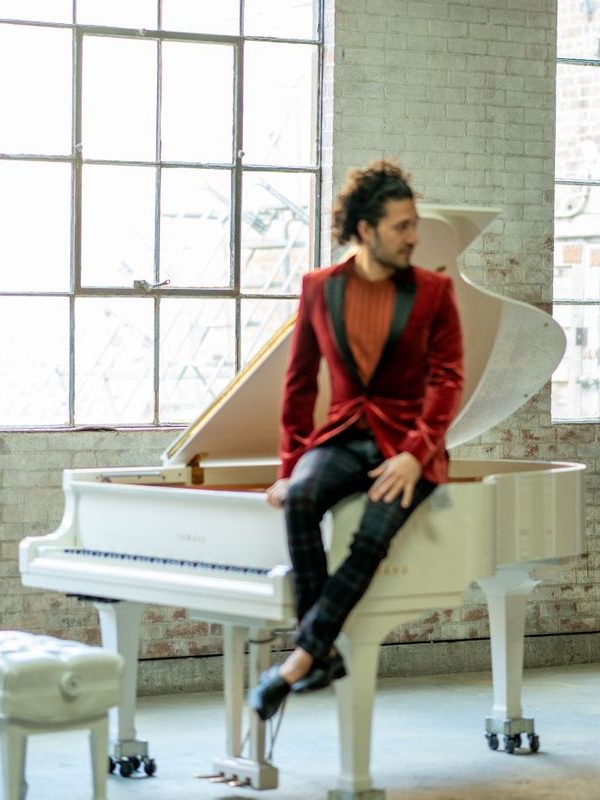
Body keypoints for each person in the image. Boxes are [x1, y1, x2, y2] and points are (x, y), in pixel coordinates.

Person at [248, 159, 465, 720]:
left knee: (371, 534)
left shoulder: (435, 291)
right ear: (365, 229)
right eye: (402, 226)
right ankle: (318, 653)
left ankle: (300, 659)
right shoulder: (319, 289)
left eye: (414, 224)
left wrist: (416, 455)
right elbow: (299, 383)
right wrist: (289, 467)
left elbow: (446, 381)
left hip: (408, 443)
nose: (414, 237)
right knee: (301, 497)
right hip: (343, 434)